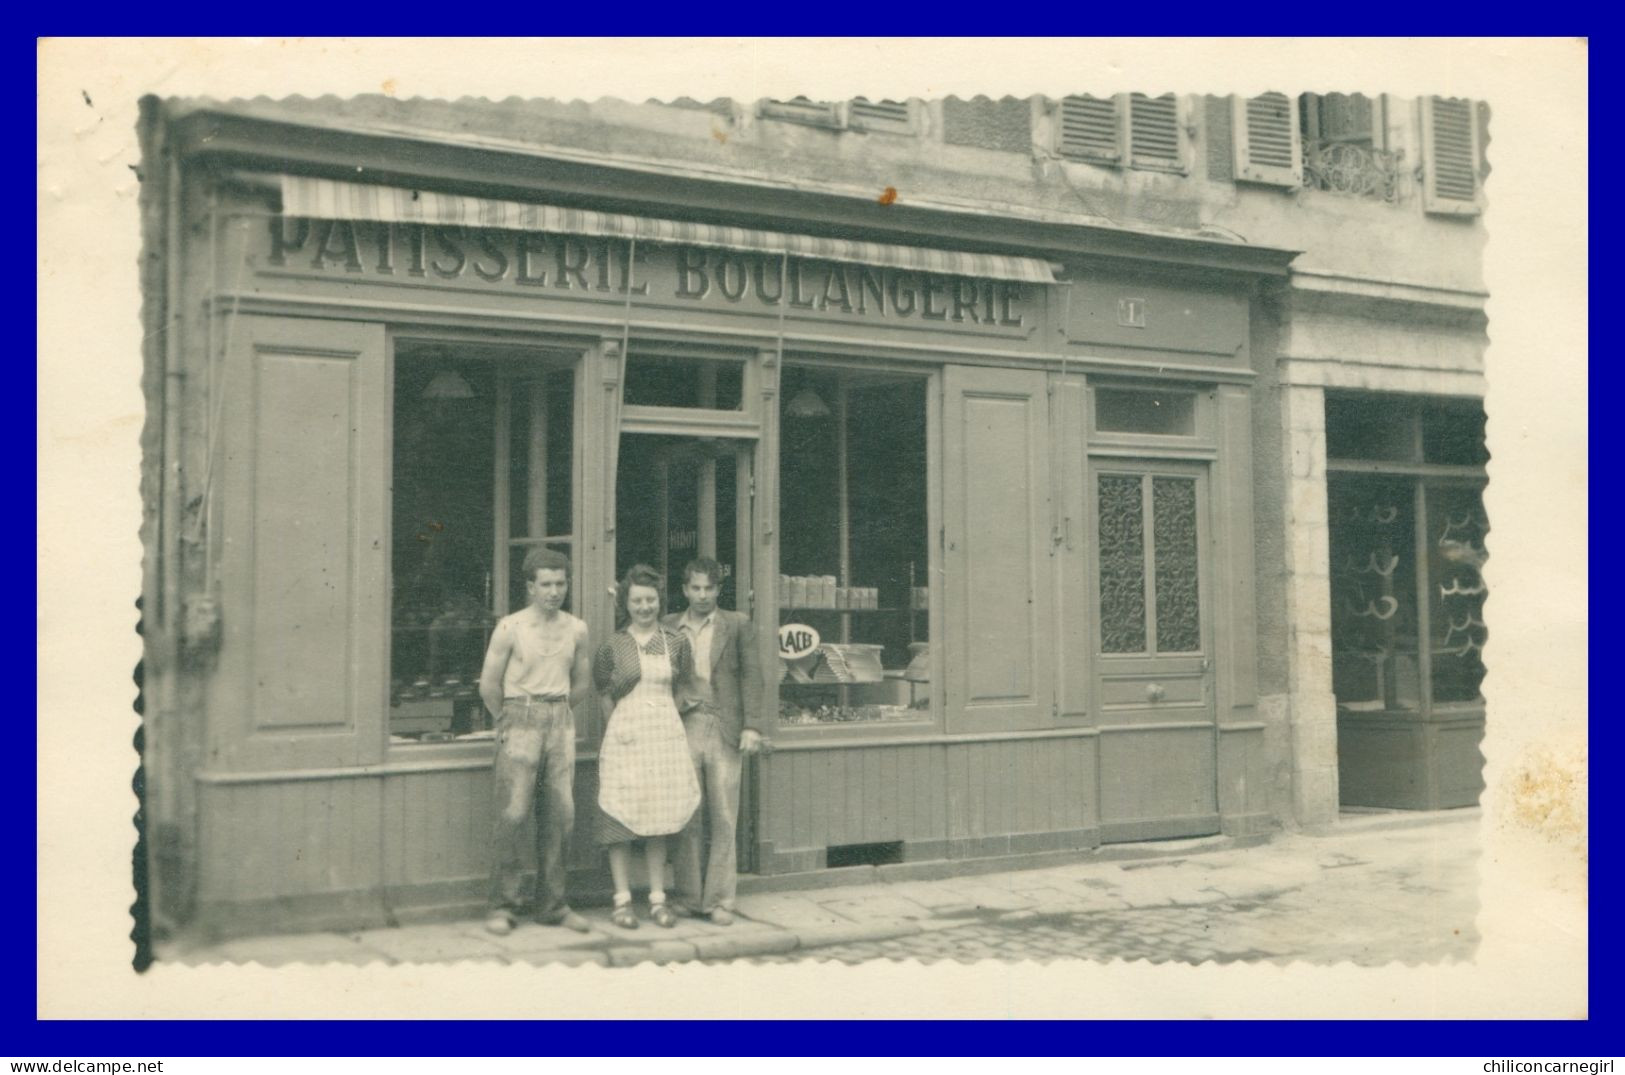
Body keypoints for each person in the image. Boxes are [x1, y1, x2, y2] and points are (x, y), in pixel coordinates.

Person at [477, 547, 592, 936]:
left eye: (560, 583)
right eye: (546, 584)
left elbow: (581, 683)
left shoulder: (576, 628)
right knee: (512, 815)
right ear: (530, 587)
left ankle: (553, 905)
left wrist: (555, 711)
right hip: (519, 719)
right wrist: (508, 720)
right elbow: (489, 685)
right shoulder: (511, 628)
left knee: (560, 817)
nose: (553, 592)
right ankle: (502, 906)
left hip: (559, 720)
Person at [593, 565, 703, 929]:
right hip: (625, 737)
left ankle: (658, 900)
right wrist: (619, 729)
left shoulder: (675, 642)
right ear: (626, 602)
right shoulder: (613, 645)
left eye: (650, 600)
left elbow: (684, 687)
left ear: (660, 601)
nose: (644, 607)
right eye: (637, 600)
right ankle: (622, 901)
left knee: (659, 817)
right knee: (620, 816)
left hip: (663, 738)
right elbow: (604, 694)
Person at [663, 557, 769, 926]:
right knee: (687, 813)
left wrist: (753, 726)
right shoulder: (668, 626)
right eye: (695, 588)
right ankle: (690, 898)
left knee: (724, 815)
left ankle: (721, 900)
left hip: (725, 727)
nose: (702, 595)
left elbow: (753, 677)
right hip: (685, 726)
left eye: (709, 588)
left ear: (719, 590)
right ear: (684, 589)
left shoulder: (737, 625)